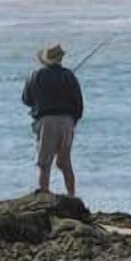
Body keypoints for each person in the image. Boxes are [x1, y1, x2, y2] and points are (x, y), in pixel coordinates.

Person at [21, 43, 83, 197]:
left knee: (44, 162)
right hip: (67, 121)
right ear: (61, 58)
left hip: (47, 121)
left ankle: (44, 192)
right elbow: (78, 103)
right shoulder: (69, 76)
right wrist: (72, 122)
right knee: (65, 162)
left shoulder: (36, 75)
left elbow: (27, 99)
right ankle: (71, 195)